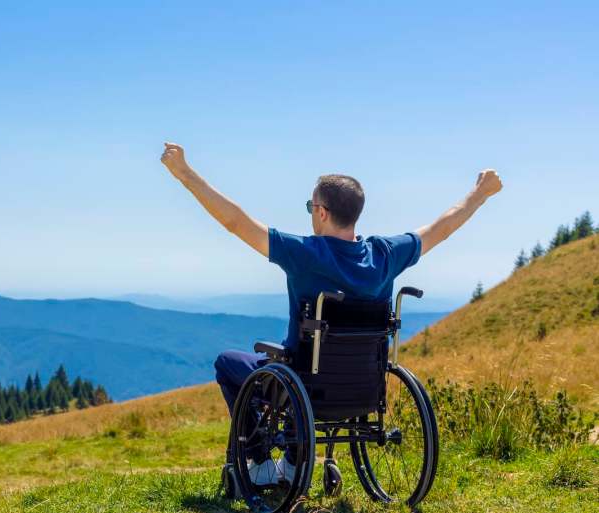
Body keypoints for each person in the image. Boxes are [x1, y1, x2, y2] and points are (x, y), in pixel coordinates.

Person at [160, 142, 503, 485]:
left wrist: (185, 175)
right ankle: (295, 465)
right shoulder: (385, 254)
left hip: (301, 382)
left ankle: (261, 464)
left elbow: (235, 222)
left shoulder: (304, 253)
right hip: (363, 386)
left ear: (322, 212)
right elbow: (440, 229)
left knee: (227, 362)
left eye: (312, 206)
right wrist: (480, 193)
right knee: (304, 370)